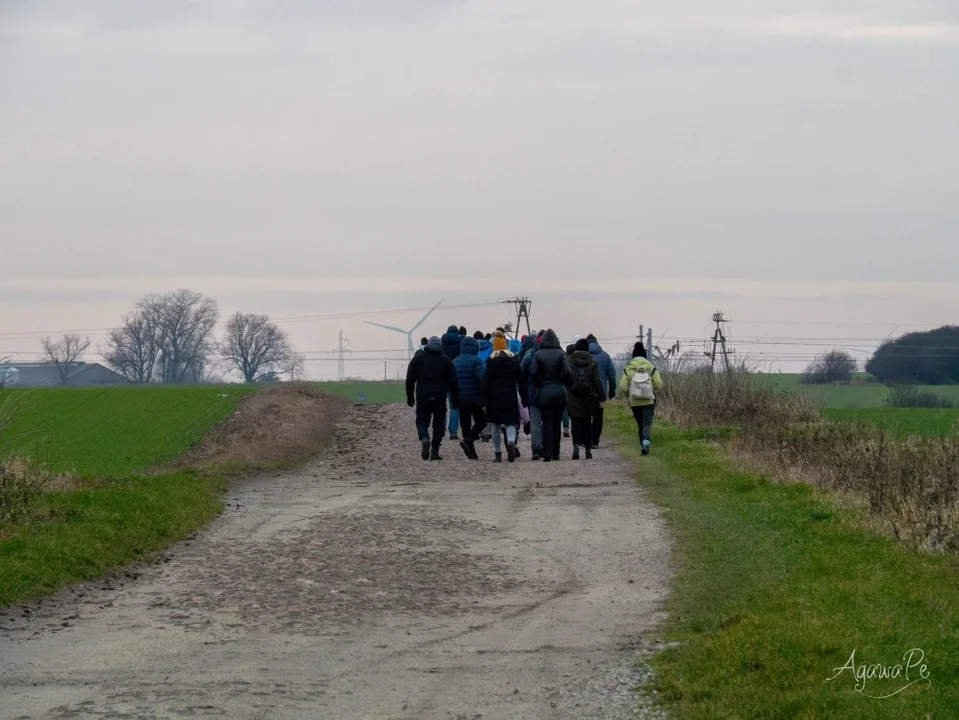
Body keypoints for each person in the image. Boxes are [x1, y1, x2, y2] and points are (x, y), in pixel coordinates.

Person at [406, 336, 459, 461]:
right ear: (440, 346)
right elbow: (453, 382)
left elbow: (410, 380)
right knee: (439, 425)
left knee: (421, 422)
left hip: (423, 396)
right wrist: (455, 400)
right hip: (440, 397)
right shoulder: (446, 360)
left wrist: (409, 396)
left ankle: (424, 438)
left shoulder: (417, 360)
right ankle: (435, 451)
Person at [483, 331, 527, 463]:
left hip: (494, 397)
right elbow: (521, 380)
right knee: (511, 423)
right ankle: (512, 442)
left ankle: (497, 454)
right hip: (510, 396)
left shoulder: (491, 361)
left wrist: (483, 398)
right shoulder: (513, 360)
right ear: (505, 345)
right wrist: (524, 398)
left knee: (496, 426)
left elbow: (485, 380)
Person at [529, 329, 573, 462]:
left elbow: (532, 372)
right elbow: (568, 372)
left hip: (544, 392)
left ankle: (547, 452)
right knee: (556, 422)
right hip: (559, 391)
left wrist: (539, 383)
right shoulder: (561, 354)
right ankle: (556, 452)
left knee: (547, 422)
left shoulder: (538, 355)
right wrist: (565, 384)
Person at [618, 341, 664, 455]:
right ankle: (646, 443)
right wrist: (652, 390)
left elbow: (623, 387)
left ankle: (642, 445)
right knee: (646, 423)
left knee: (640, 423)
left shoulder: (628, 367)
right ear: (645, 355)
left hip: (634, 401)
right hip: (648, 400)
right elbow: (658, 384)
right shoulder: (651, 367)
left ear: (633, 355)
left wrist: (629, 393)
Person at [567, 338, 604, 459]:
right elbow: (597, 381)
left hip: (573, 396)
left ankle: (576, 446)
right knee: (587, 422)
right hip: (588, 396)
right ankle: (588, 450)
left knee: (575, 422)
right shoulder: (593, 362)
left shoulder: (569, 361)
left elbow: (565, 377)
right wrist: (601, 397)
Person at [453, 336, 486, 459]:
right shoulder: (476, 360)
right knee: (482, 421)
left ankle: (471, 450)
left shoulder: (455, 361)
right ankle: (470, 440)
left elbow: (452, 382)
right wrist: (484, 395)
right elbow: (482, 378)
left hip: (461, 398)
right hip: (475, 398)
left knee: (465, 424)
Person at [586, 334, 617, 447]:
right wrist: (612, 389)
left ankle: (587, 440)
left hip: (586, 392)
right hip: (600, 393)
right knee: (598, 417)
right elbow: (611, 374)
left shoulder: (584, 356)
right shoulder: (605, 356)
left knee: (586, 416)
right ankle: (595, 442)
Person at [520, 329, 545, 459]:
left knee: (534, 421)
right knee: (547, 421)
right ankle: (547, 447)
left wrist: (524, 391)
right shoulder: (557, 352)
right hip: (549, 394)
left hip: (533, 392)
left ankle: (536, 448)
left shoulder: (530, 354)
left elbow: (522, 371)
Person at [441, 325, 463, 440]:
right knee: (454, 405)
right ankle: (453, 431)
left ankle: (441, 428)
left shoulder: (441, 343)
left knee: (442, 405)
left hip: (442, 378)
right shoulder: (459, 344)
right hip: (454, 378)